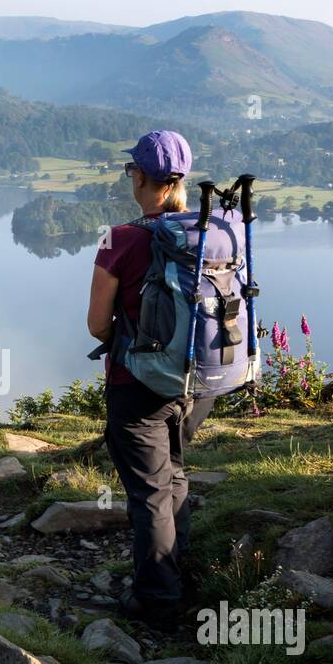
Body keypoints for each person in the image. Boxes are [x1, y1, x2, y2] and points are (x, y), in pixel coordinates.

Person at [86, 130, 215, 628]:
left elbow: (98, 325)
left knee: (150, 492)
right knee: (174, 474)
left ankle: (157, 601)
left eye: (130, 171)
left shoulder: (120, 238)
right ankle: (174, 573)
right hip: (198, 381)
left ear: (140, 176)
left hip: (137, 382)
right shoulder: (210, 230)